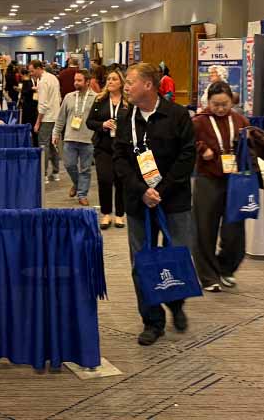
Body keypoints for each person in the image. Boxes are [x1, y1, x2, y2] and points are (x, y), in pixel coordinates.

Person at [113, 63, 196, 346]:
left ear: (148, 85)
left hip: (174, 201)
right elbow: (120, 161)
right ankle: (152, 321)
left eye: (131, 82)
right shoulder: (126, 119)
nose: (126, 87)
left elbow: (187, 157)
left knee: (178, 256)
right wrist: (142, 191)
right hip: (139, 204)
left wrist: (160, 189)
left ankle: (175, 303)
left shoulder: (177, 115)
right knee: (142, 263)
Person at [192, 81, 264, 292]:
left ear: (232, 101)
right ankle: (208, 277)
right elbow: (185, 142)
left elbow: (260, 148)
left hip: (235, 181)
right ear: (208, 101)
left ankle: (225, 268)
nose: (220, 108)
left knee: (234, 231)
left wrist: (253, 139)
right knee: (205, 230)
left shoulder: (240, 120)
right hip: (208, 179)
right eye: (215, 104)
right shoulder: (199, 122)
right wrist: (202, 149)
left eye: (224, 104)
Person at [87, 67, 128, 229]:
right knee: (104, 179)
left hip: (122, 148)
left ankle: (119, 214)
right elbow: (89, 122)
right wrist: (102, 124)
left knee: (120, 181)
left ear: (121, 83)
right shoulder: (100, 101)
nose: (110, 82)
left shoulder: (128, 102)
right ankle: (106, 213)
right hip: (103, 146)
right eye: (109, 79)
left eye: (114, 79)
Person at [53, 69, 97, 206]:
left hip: (88, 139)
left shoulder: (96, 98)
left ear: (88, 82)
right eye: (75, 80)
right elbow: (61, 118)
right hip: (70, 138)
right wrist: (55, 133)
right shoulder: (69, 97)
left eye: (79, 80)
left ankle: (82, 194)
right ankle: (77, 184)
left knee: (85, 169)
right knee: (69, 164)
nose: (75, 83)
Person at [31, 60, 62, 182]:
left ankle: (43, 174)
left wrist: (38, 122)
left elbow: (43, 105)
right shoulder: (53, 77)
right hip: (56, 116)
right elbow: (58, 97)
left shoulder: (43, 82)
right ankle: (56, 172)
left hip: (47, 118)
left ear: (39, 68)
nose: (31, 73)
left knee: (43, 145)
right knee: (53, 144)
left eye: (32, 71)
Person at [17, 67, 39, 144]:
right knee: (28, 126)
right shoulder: (28, 82)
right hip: (28, 108)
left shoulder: (29, 82)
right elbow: (24, 93)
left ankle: (34, 143)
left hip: (33, 107)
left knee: (33, 127)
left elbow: (24, 92)